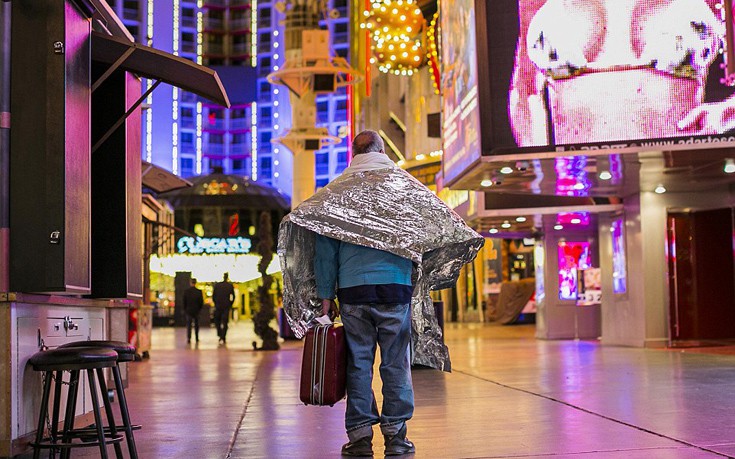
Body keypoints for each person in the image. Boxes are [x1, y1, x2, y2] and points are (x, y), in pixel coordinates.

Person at [278, 130, 484, 457]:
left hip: (352, 291)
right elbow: (425, 228)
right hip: (395, 287)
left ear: (353, 153)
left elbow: (325, 251)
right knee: (395, 363)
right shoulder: (402, 188)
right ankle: (397, 437)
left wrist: (327, 296)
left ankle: (359, 438)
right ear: (382, 149)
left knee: (358, 363)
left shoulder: (338, 193)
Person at [509, 0, 735, 148]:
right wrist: (539, 161)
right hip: (580, 178)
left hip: (681, 173)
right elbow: (524, 89)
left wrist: (726, 113)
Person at [212, 272, 235, 344]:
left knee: (217, 321)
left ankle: (220, 334)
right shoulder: (230, 286)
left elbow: (214, 296)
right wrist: (230, 304)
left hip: (218, 306)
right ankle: (223, 336)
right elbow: (233, 296)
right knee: (225, 322)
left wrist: (216, 303)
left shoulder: (217, 285)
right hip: (226, 306)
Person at [182, 278, 203, 344]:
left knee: (189, 325)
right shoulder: (199, 292)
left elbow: (184, 302)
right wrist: (199, 309)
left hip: (189, 310)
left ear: (190, 283)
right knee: (197, 325)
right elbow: (201, 302)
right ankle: (196, 338)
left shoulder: (186, 291)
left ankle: (189, 338)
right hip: (196, 310)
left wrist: (185, 309)